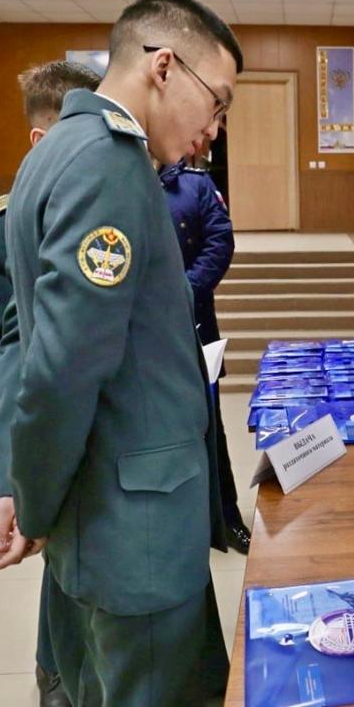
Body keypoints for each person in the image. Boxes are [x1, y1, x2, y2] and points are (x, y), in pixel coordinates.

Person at [3, 0, 242, 703]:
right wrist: (33, 505)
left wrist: (26, 490)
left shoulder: (55, 153)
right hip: (134, 531)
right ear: (164, 67)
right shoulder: (109, 164)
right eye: (217, 103)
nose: (213, 130)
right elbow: (59, 370)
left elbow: (32, 344)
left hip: (106, 516)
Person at [0, 60, 101, 707]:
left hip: (100, 427)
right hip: (49, 426)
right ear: (43, 140)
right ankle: (55, 676)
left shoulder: (103, 208)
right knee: (63, 559)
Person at [159, 154, 252, 553]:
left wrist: (182, 290)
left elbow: (219, 243)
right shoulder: (120, 179)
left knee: (210, 427)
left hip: (193, 325)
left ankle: (227, 518)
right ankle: (172, 526)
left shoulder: (195, 185)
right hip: (138, 333)